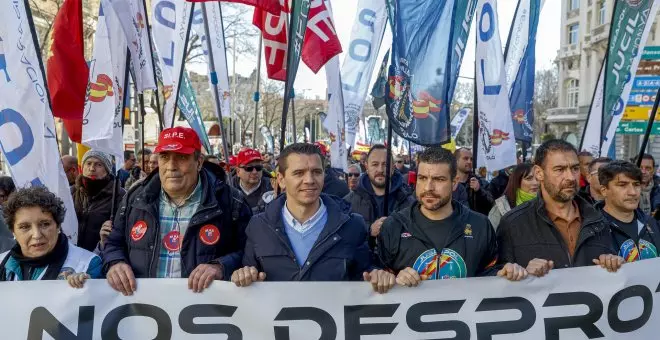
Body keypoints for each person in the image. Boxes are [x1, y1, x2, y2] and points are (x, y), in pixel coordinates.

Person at [103, 127, 252, 295]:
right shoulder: (135, 198)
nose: (171, 166)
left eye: (181, 157)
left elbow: (250, 253)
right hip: (144, 308)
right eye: (164, 157)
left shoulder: (231, 201)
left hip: (203, 310)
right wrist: (116, 262)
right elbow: (114, 243)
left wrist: (221, 267)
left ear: (199, 162)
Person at [231, 143, 396, 293]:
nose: (309, 180)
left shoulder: (352, 225)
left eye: (316, 172)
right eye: (299, 173)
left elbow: (365, 273)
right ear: (281, 179)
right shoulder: (258, 226)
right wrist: (243, 274)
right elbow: (248, 273)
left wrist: (378, 275)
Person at [378, 147, 527, 285]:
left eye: (439, 179)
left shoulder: (480, 225)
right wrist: (393, 279)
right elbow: (378, 277)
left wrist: (506, 272)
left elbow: (491, 273)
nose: (428, 187)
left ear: (454, 183)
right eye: (422, 178)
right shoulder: (394, 226)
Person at [497, 140, 622, 276]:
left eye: (575, 168)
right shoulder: (513, 223)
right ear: (539, 173)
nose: (570, 177)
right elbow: (496, 279)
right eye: (559, 169)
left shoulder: (599, 221)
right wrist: (520, 273)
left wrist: (613, 263)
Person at [0, 187, 101, 287]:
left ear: (58, 226)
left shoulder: (87, 264)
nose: (37, 235)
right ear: (13, 231)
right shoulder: (2, 262)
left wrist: (89, 288)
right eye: (25, 227)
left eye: (45, 224)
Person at [344, 144, 415, 241]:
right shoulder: (348, 202)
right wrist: (368, 231)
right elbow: (344, 238)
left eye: (385, 164)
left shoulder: (409, 203)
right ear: (367, 167)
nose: (380, 170)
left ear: (393, 168)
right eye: (375, 164)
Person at [595, 161, 660, 263]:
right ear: (604, 190)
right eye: (622, 185)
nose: (633, 192)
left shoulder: (651, 223)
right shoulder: (591, 229)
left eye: (636, 185)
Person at [71, 150, 125, 252]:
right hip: (72, 255)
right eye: (88, 163)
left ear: (107, 169)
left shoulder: (119, 196)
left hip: (102, 255)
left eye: (98, 165)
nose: (92, 169)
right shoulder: (71, 192)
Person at [488, 163, 538, 229]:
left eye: (537, 178)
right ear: (517, 181)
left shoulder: (547, 203)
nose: (536, 183)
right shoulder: (501, 206)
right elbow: (492, 235)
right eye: (529, 178)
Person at [453, 148, 493, 215]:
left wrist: (479, 190)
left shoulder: (481, 182)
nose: (469, 161)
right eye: (465, 158)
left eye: (471, 159)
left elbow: (491, 204)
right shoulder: (448, 182)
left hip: (476, 223)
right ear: (455, 161)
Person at [232, 148, 272, 213]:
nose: (254, 172)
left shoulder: (273, 188)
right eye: (249, 168)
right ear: (238, 171)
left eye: (258, 167)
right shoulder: (227, 190)